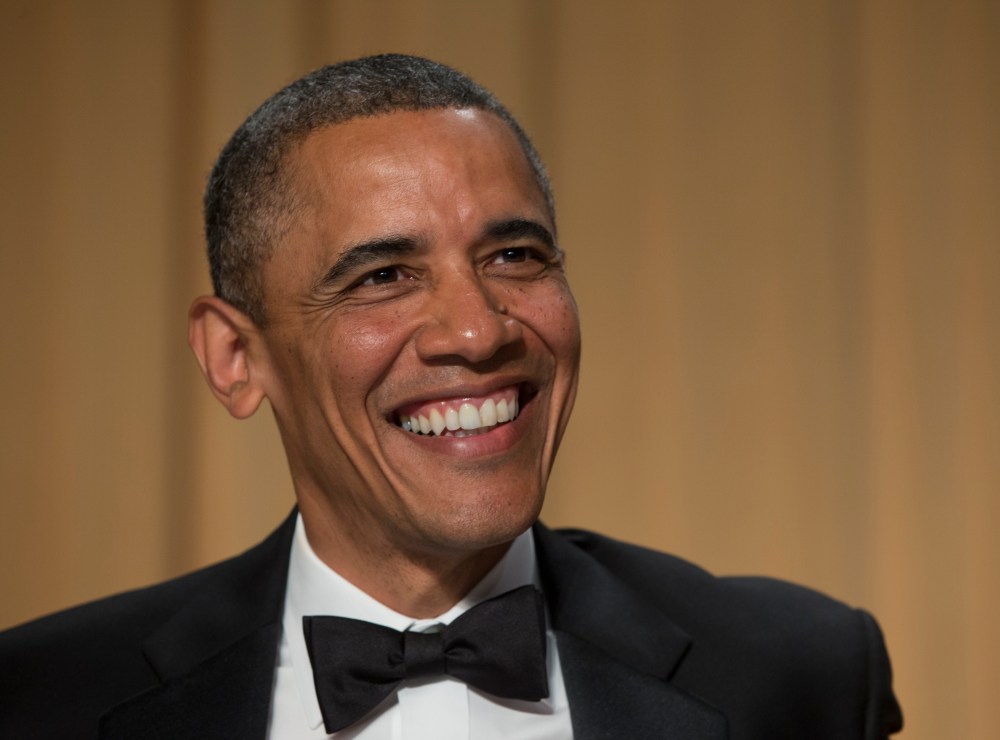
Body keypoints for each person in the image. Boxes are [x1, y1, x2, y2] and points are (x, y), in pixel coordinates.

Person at [0, 54, 902, 739]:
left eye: (515, 256)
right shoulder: (42, 702)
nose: (479, 332)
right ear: (235, 357)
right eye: (384, 275)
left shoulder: (801, 676)